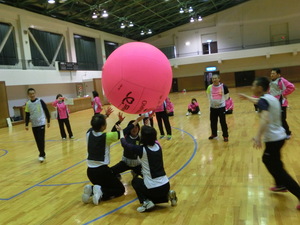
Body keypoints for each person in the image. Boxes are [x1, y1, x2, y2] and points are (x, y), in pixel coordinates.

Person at [239, 76, 300, 210]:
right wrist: (247, 97)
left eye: (253, 85)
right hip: (280, 137)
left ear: (260, 88)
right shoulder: (271, 98)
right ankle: (280, 185)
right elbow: (258, 101)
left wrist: (257, 136)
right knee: (275, 162)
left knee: (272, 164)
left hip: (273, 139)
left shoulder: (264, 101)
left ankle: (295, 191)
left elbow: (265, 118)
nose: (252, 87)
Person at [116, 124, 178, 213]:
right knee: (156, 195)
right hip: (166, 185)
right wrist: (148, 124)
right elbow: (151, 135)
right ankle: (167, 195)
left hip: (153, 188)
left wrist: (121, 132)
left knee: (135, 181)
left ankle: (146, 202)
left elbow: (124, 144)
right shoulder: (158, 146)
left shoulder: (141, 150)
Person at [81, 107, 125, 206]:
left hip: (90, 172)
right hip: (102, 171)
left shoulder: (89, 133)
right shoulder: (106, 137)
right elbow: (121, 133)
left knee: (108, 183)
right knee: (120, 189)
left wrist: (106, 116)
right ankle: (98, 191)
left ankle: (92, 189)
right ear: (102, 126)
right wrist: (134, 123)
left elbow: (96, 125)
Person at [110, 113, 144, 180]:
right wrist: (119, 121)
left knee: (148, 176)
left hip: (137, 164)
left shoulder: (141, 138)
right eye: (132, 127)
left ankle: (135, 172)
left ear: (139, 128)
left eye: (136, 127)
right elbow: (113, 132)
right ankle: (117, 176)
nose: (134, 129)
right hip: (125, 162)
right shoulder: (124, 136)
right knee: (110, 171)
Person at [25, 88, 50, 162]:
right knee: (37, 140)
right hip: (34, 124)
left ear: (35, 93)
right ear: (28, 95)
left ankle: (41, 154)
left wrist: (48, 121)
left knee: (41, 139)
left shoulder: (40, 101)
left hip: (41, 123)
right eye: (30, 94)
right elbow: (27, 114)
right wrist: (26, 124)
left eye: (33, 93)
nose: (32, 95)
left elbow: (46, 110)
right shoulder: (28, 104)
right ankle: (42, 153)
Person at [269, 68, 295, 139]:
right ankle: (280, 132)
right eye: (271, 73)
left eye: (273, 73)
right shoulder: (271, 82)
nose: (271, 75)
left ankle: (288, 133)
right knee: (276, 119)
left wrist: (283, 94)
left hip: (281, 103)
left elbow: (292, 87)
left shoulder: (282, 80)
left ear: (278, 74)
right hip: (274, 103)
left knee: (282, 119)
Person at [206, 74, 229, 142]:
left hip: (221, 107)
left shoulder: (224, 86)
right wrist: (212, 103)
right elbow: (208, 96)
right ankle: (214, 134)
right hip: (213, 107)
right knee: (213, 122)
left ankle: (225, 136)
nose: (214, 80)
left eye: (215, 78)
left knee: (223, 122)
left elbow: (227, 96)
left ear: (219, 79)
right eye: (213, 78)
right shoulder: (209, 87)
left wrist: (221, 102)